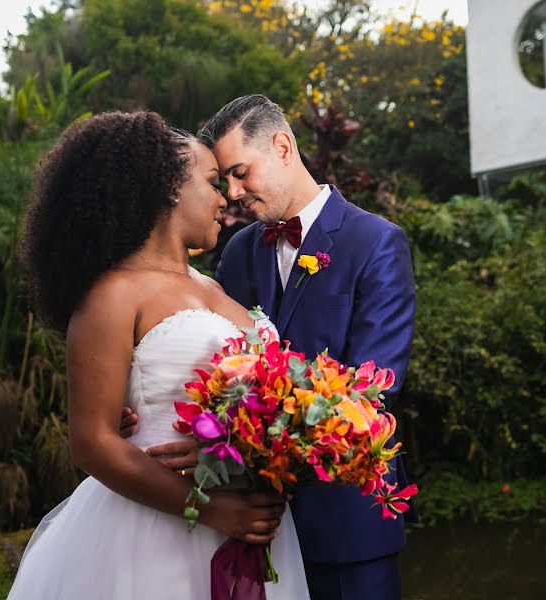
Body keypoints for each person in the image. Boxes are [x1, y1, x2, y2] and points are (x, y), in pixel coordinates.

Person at [8, 110, 309, 599]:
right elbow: (91, 443)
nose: (225, 198)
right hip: (162, 530)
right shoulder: (113, 294)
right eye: (213, 182)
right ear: (169, 188)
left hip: (259, 526)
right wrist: (212, 510)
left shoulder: (216, 286)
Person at [136, 95, 417, 600]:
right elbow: (215, 364)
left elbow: (372, 395)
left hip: (347, 521)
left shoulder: (377, 243)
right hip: (251, 525)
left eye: (241, 173)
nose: (235, 193)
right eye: (224, 181)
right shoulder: (240, 251)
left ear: (283, 146)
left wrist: (226, 446)